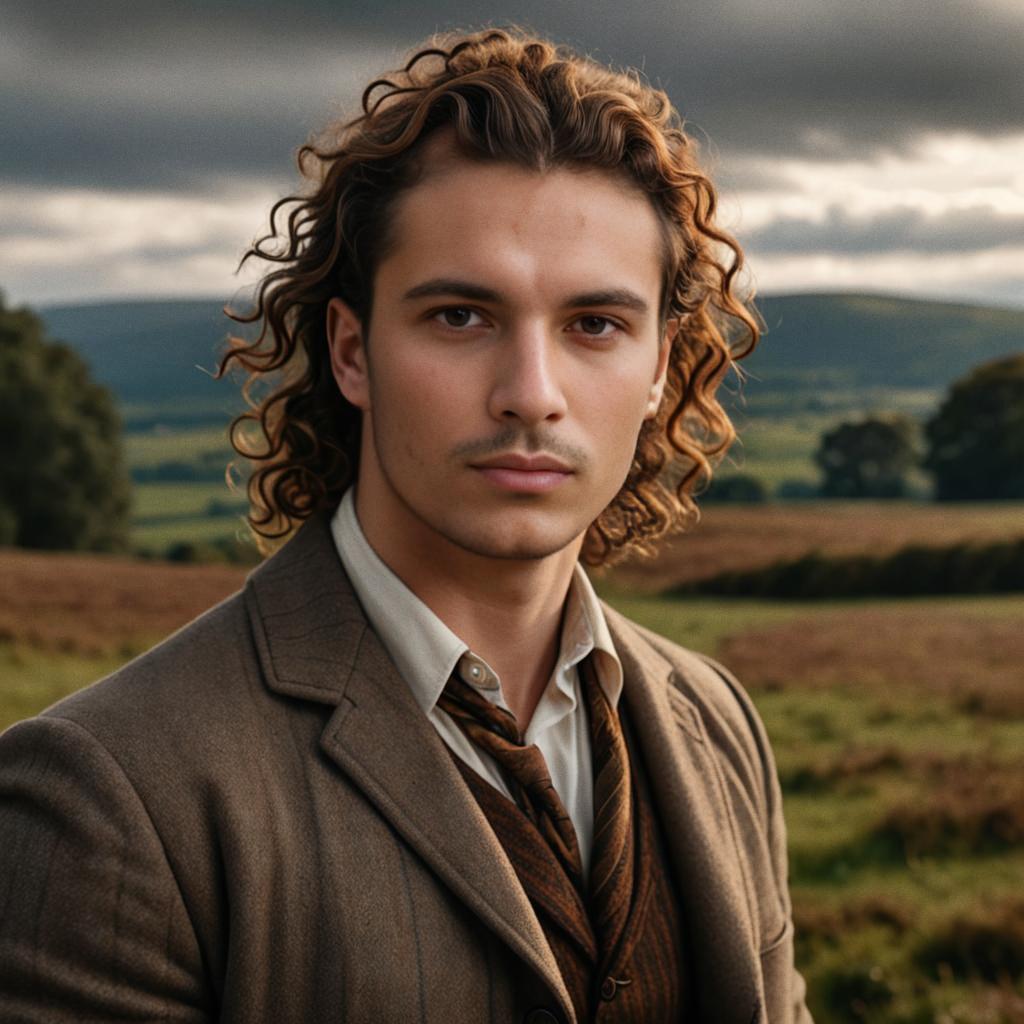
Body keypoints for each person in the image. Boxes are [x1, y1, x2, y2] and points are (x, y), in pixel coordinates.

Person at [0, 28, 811, 1024]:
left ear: (656, 367)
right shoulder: (104, 793)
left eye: (594, 324)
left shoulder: (715, 719)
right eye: (461, 316)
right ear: (350, 350)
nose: (530, 394)